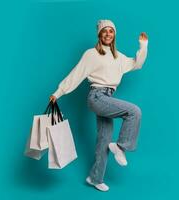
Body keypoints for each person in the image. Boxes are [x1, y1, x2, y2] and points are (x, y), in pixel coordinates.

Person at [49, 19, 148, 192]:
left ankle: (95, 178)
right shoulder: (91, 54)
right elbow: (76, 74)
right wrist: (58, 92)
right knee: (134, 111)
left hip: (107, 97)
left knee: (104, 141)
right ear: (99, 34)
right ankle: (122, 146)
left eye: (111, 31)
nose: (108, 34)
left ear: (114, 34)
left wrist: (143, 45)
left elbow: (137, 64)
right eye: (105, 31)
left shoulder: (118, 56)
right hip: (97, 96)